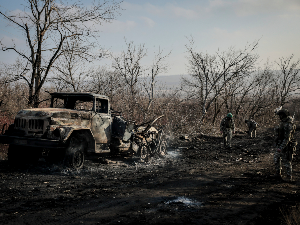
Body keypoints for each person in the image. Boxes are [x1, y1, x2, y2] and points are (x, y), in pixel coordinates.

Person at [274, 109, 297, 182]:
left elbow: (287, 138)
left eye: (280, 115)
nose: (279, 117)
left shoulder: (288, 124)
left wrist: (281, 147)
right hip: (280, 143)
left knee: (286, 161)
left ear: (283, 115)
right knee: (276, 158)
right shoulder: (283, 122)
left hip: (286, 145)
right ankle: (278, 174)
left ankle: (289, 177)